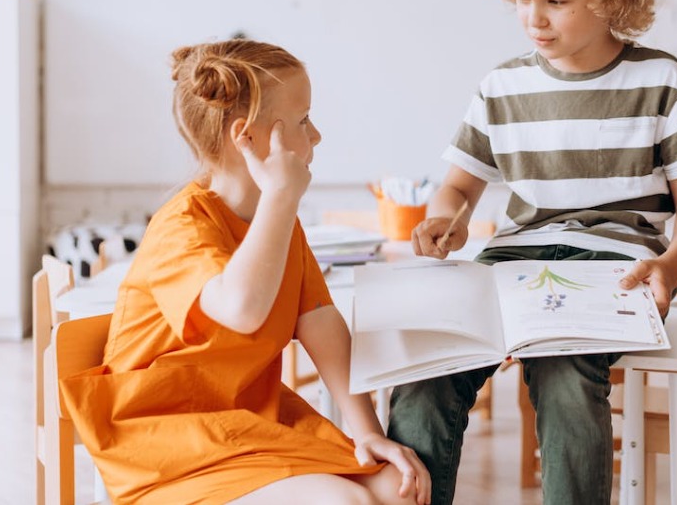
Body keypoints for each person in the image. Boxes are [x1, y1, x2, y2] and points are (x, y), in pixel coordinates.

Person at [386, 0, 677, 505]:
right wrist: (448, 218)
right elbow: (462, 183)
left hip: (615, 268)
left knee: (566, 375)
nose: (533, 18)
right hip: (513, 263)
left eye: (555, 1)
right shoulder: (501, 86)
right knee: (427, 372)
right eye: (522, 0)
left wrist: (670, 267)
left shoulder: (661, 81)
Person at [60, 39, 431, 505]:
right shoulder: (181, 227)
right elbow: (242, 309)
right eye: (303, 121)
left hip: (251, 420)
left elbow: (317, 318)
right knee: (345, 503)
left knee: (398, 492)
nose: (315, 136)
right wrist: (281, 197)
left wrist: (367, 432)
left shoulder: (276, 220)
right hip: (167, 441)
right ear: (248, 138)